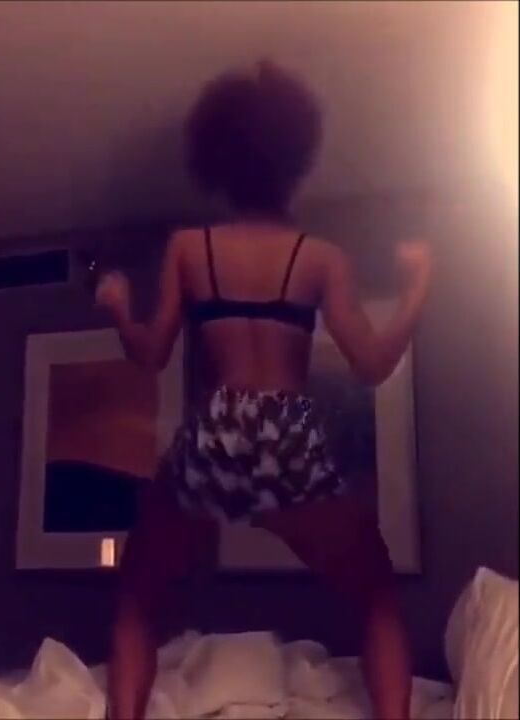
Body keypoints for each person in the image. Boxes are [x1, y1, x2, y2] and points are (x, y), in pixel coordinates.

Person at [95, 62, 432, 720]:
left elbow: (151, 354)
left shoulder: (190, 248)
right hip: (287, 432)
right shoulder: (320, 257)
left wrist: (116, 308)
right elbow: (371, 364)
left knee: (137, 598)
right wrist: (418, 287)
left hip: (215, 430)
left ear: (217, 160)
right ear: (296, 159)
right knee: (376, 596)